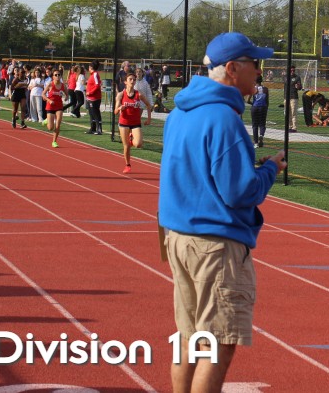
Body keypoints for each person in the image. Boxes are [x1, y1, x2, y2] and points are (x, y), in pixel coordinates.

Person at [158, 32, 283, 393]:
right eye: (254, 63)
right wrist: (270, 169)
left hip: (179, 236)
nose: (259, 71)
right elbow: (239, 191)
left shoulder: (179, 113)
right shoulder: (224, 119)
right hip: (214, 244)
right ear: (232, 68)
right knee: (217, 344)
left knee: (189, 338)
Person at [116, 72, 152, 174]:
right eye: (130, 79)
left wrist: (149, 119)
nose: (132, 81)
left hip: (136, 123)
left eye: (134, 79)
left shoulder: (138, 94)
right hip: (124, 122)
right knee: (126, 146)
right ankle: (127, 165)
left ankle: (132, 139)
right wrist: (120, 108)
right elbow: (115, 111)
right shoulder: (121, 95)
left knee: (138, 144)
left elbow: (148, 105)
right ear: (125, 82)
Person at [43, 69, 68, 148]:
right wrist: (49, 100)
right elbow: (43, 94)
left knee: (58, 124)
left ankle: (54, 141)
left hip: (59, 106)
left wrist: (66, 97)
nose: (57, 76)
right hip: (50, 106)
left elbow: (67, 94)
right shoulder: (50, 84)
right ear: (53, 77)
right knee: (50, 128)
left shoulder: (63, 85)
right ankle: (47, 120)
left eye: (59, 75)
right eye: (55, 75)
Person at [248, 74, 269, 146]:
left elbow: (247, 100)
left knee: (255, 125)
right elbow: (267, 101)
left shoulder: (253, 88)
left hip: (255, 107)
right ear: (261, 80)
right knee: (262, 124)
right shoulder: (265, 89)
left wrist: (253, 104)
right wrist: (266, 108)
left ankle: (256, 142)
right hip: (263, 107)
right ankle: (261, 135)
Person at [84, 60, 104, 135]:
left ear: (91, 67)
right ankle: (92, 128)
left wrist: (90, 92)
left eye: (89, 67)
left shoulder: (95, 74)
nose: (88, 68)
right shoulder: (92, 75)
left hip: (94, 98)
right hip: (90, 98)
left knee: (96, 113)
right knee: (91, 113)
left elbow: (97, 85)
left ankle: (99, 129)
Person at [285, 65, 302, 132]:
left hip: (293, 97)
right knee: (287, 113)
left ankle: (294, 127)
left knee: (293, 113)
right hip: (286, 97)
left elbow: (300, 87)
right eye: (291, 70)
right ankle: (289, 126)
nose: (292, 71)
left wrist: (298, 86)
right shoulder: (285, 77)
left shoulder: (297, 77)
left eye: (293, 70)